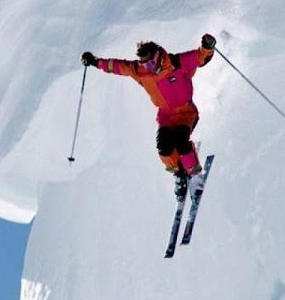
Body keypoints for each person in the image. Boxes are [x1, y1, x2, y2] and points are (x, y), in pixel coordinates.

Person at [81, 34, 216, 195]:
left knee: (180, 140)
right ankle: (179, 173)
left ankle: (195, 176)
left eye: (151, 62)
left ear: (158, 55)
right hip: (165, 116)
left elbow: (200, 57)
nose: (149, 67)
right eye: (144, 64)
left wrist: (207, 46)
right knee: (164, 148)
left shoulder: (176, 63)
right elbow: (117, 66)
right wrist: (95, 61)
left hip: (186, 112)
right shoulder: (139, 71)